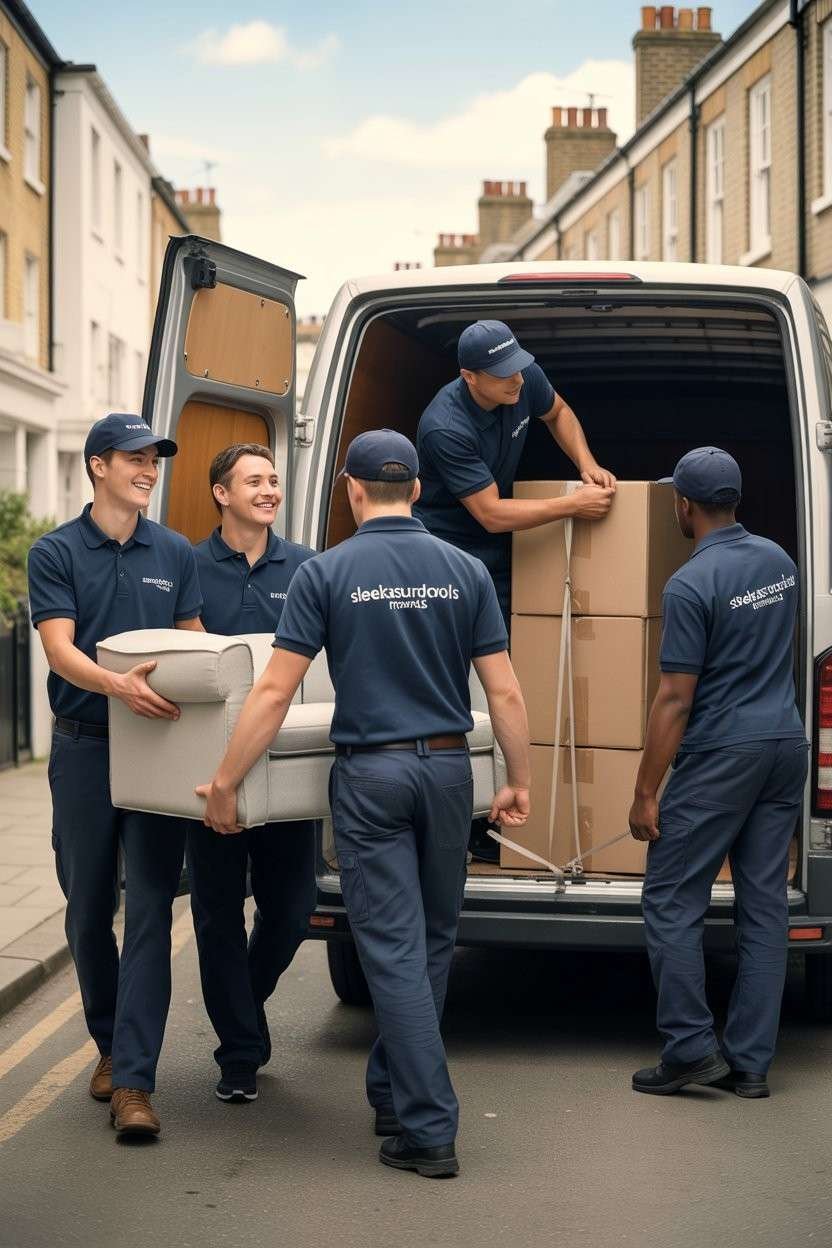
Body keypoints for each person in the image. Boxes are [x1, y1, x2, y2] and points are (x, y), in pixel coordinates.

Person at [195, 429, 531, 1179]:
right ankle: (391, 1092)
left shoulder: (328, 571)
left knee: (391, 949)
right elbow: (503, 689)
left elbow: (275, 690)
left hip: (373, 778)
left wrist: (226, 780)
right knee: (433, 943)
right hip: (449, 776)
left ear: (350, 489)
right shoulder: (464, 568)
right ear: (416, 489)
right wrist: (517, 779)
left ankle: (429, 1125)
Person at [27, 413, 204, 1138]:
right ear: (99, 465)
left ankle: (134, 1080)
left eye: (155, 460)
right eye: (135, 458)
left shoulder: (176, 551)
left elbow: (196, 645)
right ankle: (107, 1043)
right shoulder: (56, 551)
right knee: (86, 909)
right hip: (84, 747)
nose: (149, 469)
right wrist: (118, 684)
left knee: (153, 911)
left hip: (158, 749)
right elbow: (59, 652)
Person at [628, 447, 808, 1099]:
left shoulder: (690, 583)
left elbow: (675, 697)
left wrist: (646, 791)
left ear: (684, 505)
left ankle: (688, 1049)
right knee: (762, 904)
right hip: (785, 744)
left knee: (672, 897)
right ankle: (752, 1063)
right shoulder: (779, 562)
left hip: (722, 754)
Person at [187, 443, 317, 1104]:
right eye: (253, 481)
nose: (268, 490)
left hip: (289, 769)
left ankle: (245, 1006)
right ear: (221, 493)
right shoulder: (189, 566)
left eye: (273, 480)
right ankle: (239, 1053)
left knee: (292, 909)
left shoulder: (308, 567)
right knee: (216, 915)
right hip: (213, 772)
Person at [414, 318, 616, 625]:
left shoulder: (522, 378)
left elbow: (558, 412)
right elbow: (491, 514)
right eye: (503, 374)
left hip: (501, 543)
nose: (518, 380)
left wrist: (586, 463)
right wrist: (573, 504)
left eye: (518, 366)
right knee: (462, 644)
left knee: (507, 638)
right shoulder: (445, 427)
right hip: (449, 549)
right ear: (469, 377)